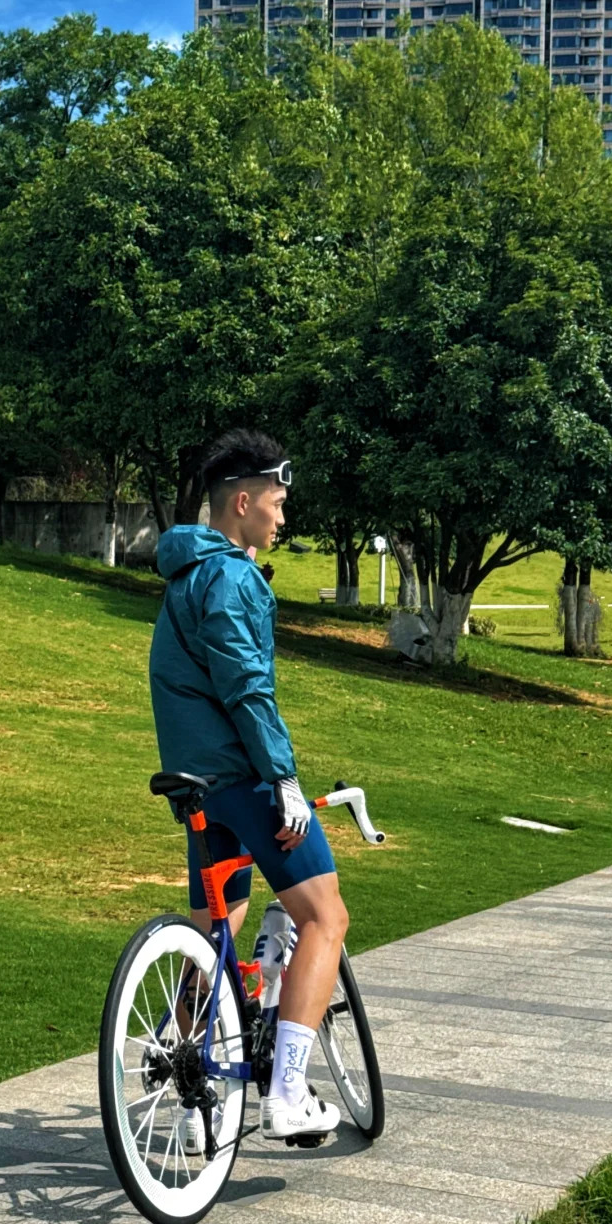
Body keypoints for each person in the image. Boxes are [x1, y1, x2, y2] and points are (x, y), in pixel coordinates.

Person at [149, 428, 349, 1143]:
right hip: (243, 778)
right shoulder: (230, 578)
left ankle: (192, 1102)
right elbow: (247, 689)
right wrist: (284, 777)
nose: (283, 516)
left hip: (198, 787)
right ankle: (288, 1093)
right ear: (243, 501)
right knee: (324, 919)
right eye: (278, 501)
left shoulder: (183, 575)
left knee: (215, 930)